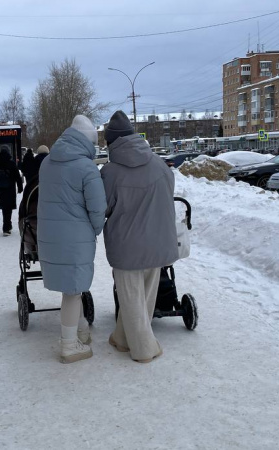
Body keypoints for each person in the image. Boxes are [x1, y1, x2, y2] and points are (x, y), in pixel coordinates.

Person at [100, 110, 179, 363]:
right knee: (143, 296)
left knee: (131, 297)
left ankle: (144, 349)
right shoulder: (159, 164)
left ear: (111, 142)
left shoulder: (110, 172)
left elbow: (104, 207)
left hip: (128, 245)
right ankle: (122, 338)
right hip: (158, 243)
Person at [37, 116, 106, 364]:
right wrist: (96, 230)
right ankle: (68, 345)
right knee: (74, 290)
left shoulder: (47, 164)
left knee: (72, 288)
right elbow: (98, 208)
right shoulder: (86, 168)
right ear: (88, 141)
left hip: (49, 237)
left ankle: (82, 329)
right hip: (75, 238)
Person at [0, 148, 23, 235]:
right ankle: (6, 227)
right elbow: (17, 176)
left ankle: (7, 225)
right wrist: (20, 187)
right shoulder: (11, 163)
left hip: (0, 188)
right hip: (10, 188)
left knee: (4, 207)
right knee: (9, 207)